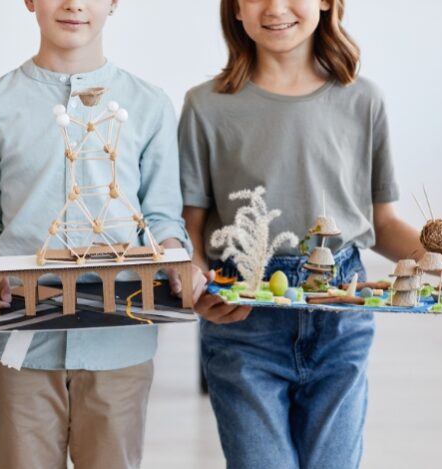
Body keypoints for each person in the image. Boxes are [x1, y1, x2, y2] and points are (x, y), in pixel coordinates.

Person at [0, 1, 208, 467]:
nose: (74, 4)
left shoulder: (149, 104)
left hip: (122, 336)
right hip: (21, 334)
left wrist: (176, 260)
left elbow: (162, 218)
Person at [180, 1, 423, 468]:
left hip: (341, 321)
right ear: (235, 9)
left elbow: (382, 224)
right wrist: (196, 283)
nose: (275, 8)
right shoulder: (205, 105)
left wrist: (437, 255)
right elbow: (190, 228)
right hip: (243, 322)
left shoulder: (363, 100)